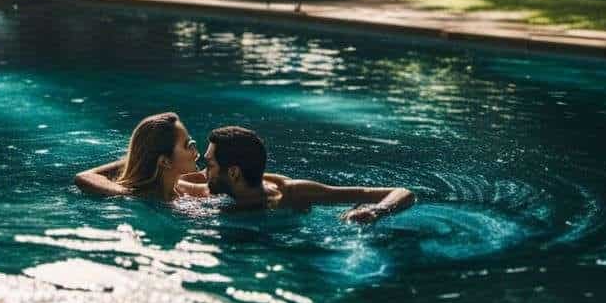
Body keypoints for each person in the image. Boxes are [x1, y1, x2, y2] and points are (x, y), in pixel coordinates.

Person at [193, 126, 414, 221]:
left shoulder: (292, 194)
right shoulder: (214, 194)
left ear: (233, 172)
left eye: (209, 164)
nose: (204, 172)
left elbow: (402, 192)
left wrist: (377, 211)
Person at [74, 112, 206, 201]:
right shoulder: (139, 200)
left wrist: (141, 158)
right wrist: (126, 194)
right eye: (187, 145)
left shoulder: (177, 188)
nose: (195, 148)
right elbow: (83, 177)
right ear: (165, 161)